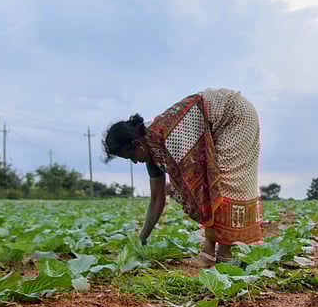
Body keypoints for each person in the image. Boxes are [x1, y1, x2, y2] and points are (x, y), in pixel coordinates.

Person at [103, 87, 263, 268]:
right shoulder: (153, 154)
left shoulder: (164, 135)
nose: (134, 162)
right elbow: (157, 200)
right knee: (211, 185)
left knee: (222, 182)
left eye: (131, 156)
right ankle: (212, 255)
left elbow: (200, 176)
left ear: (137, 144)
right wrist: (141, 240)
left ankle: (218, 255)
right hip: (216, 122)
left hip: (232, 114)